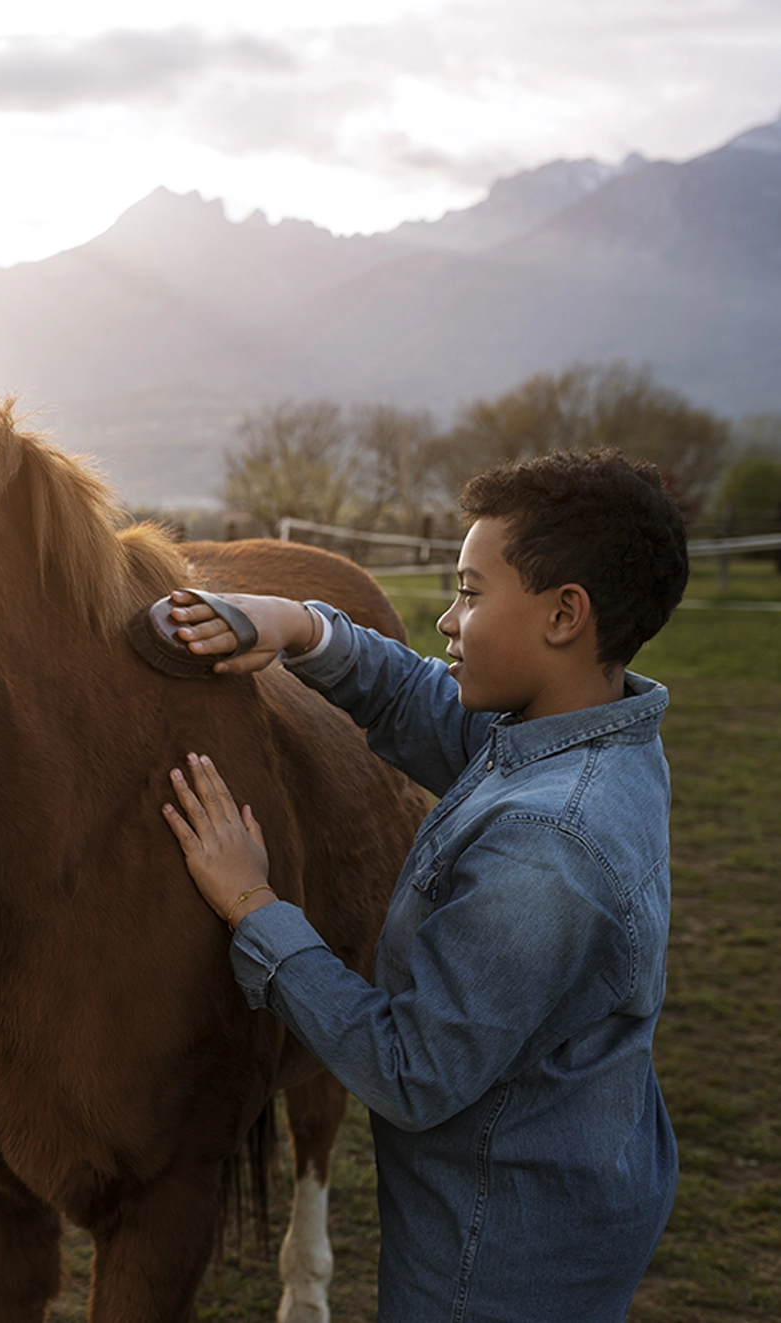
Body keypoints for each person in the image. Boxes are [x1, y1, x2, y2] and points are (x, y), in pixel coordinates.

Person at [158, 449, 685, 1322]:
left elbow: (409, 1069)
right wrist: (300, 626)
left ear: (564, 614)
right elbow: (428, 707)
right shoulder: (586, 734)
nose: (445, 618)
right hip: (565, 1183)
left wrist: (254, 907)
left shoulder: (546, 847)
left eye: (471, 593)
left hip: (496, 1249)